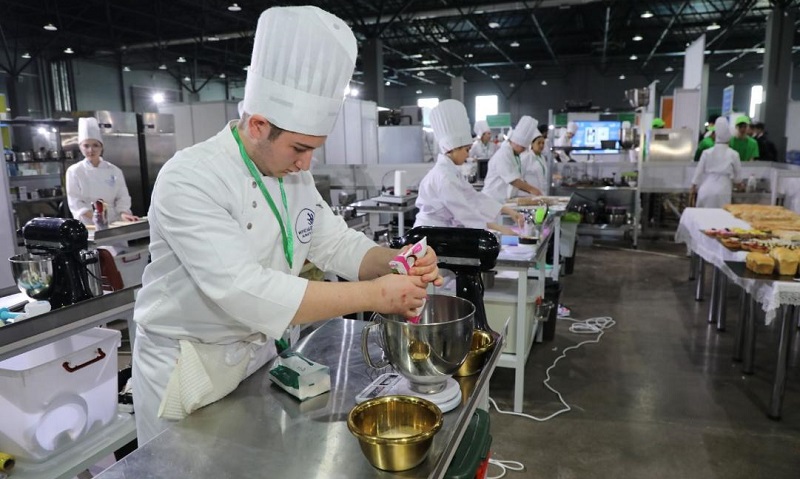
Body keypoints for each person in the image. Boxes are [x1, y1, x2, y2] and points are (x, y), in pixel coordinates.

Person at [131, 6, 443, 444]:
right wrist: (376, 295)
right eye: (299, 148)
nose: (306, 163)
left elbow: (336, 244)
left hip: (257, 360)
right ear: (259, 125)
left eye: (314, 149)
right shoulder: (192, 178)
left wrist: (396, 260)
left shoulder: (293, 175)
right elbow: (242, 289)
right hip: (188, 369)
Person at [414, 99, 523, 235]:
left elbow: (473, 197)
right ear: (452, 149)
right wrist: (500, 228)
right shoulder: (445, 177)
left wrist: (507, 210)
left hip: (440, 230)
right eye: (466, 150)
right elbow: (464, 214)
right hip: (429, 233)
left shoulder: (451, 172)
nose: (468, 154)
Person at [66, 117, 138, 225]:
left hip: (114, 221)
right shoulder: (74, 171)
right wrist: (97, 219)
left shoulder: (114, 170)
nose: (91, 150)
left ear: (101, 147)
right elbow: (75, 201)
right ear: (80, 148)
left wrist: (123, 213)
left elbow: (122, 196)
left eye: (95, 145)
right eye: (86, 146)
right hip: (89, 223)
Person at [481, 116, 544, 203]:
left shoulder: (514, 155)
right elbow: (513, 180)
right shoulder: (503, 154)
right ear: (516, 142)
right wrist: (532, 189)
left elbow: (518, 179)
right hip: (492, 200)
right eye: (523, 147)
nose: (524, 150)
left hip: (503, 201)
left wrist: (530, 191)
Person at [690, 117, 742, 208]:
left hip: (705, 190)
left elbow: (698, 172)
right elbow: (738, 179)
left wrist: (693, 186)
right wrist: (739, 185)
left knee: (703, 216)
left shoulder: (706, 153)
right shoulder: (734, 154)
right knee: (720, 215)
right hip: (723, 191)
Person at [520, 128, 549, 195]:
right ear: (532, 143)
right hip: (528, 194)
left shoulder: (542, 157)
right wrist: (529, 189)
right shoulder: (526, 157)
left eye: (543, 143)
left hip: (542, 193)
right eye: (539, 143)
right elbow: (519, 177)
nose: (541, 145)